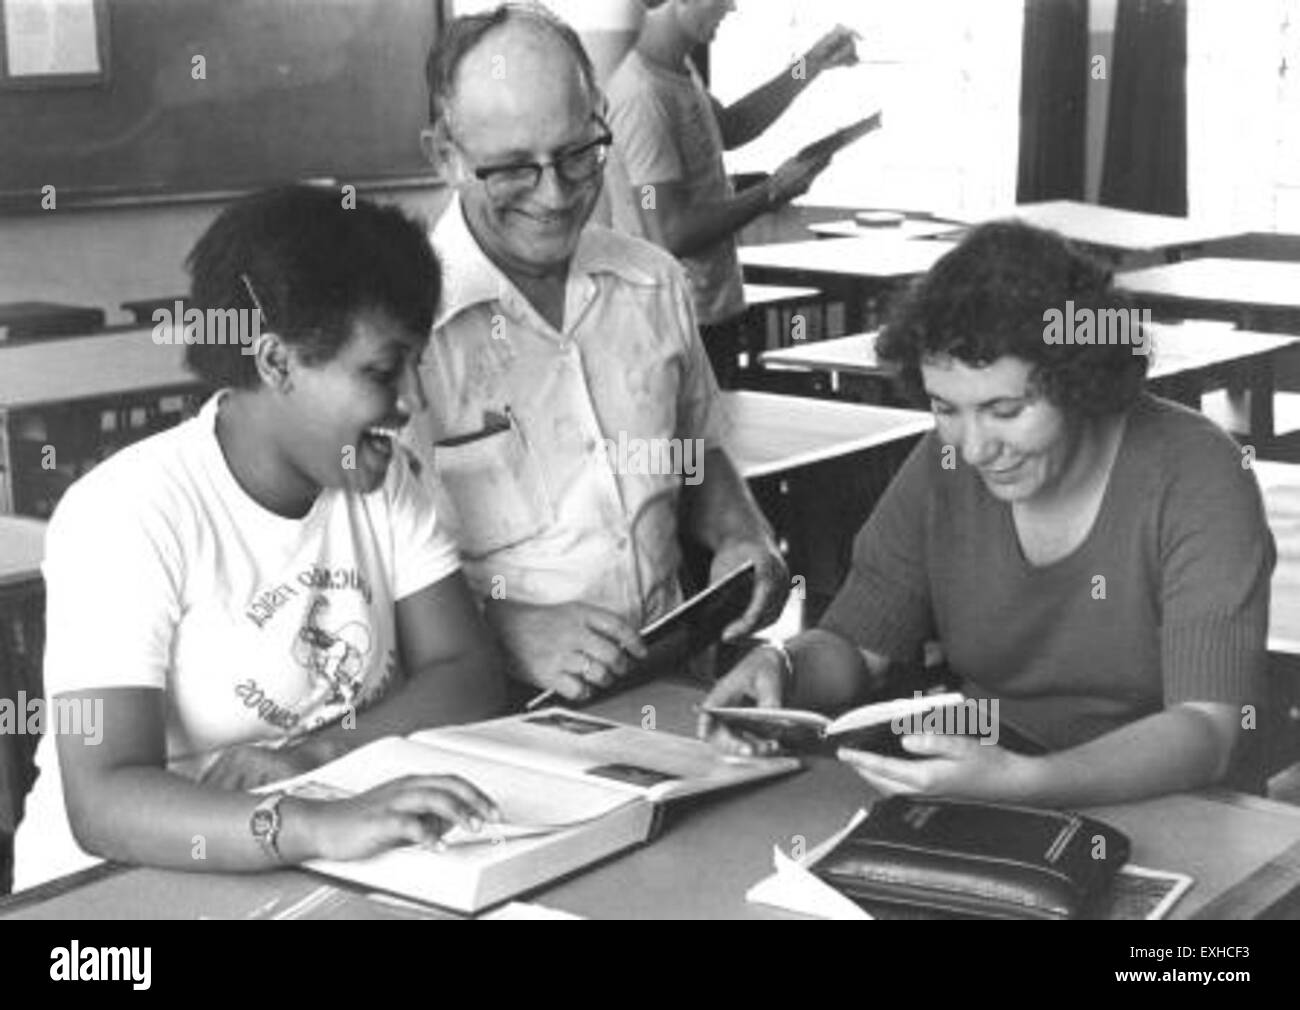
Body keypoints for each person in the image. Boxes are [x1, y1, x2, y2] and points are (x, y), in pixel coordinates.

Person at [13, 186, 507, 891]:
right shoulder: (124, 514)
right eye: (381, 371)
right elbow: (104, 799)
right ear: (275, 363)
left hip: (299, 868)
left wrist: (315, 755)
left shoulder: (383, 480)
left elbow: (469, 673)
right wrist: (307, 822)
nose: (414, 402)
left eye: (416, 364)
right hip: (114, 891)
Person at [700, 221, 1276, 806]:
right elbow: (854, 646)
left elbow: (1207, 731)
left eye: (1006, 410)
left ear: (1083, 380)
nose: (974, 448)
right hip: (987, 782)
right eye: (946, 408)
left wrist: (1026, 782)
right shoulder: (943, 463)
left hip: (1182, 808)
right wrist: (782, 667)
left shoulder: (1199, 474)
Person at [413, 4, 788, 704]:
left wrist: (742, 533)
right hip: (483, 706)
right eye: (514, 170)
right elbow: (360, 569)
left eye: (578, 154)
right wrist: (502, 624)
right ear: (445, 156)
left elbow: (694, 454)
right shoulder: (404, 331)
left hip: (668, 679)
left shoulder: (651, 281)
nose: (555, 195)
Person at [605, 0, 859, 383]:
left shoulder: (678, 68)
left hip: (709, 311)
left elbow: (730, 127)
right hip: (672, 324)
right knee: (689, 446)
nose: (732, 6)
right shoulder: (641, 94)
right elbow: (669, 232)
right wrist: (772, 191)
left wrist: (811, 63)